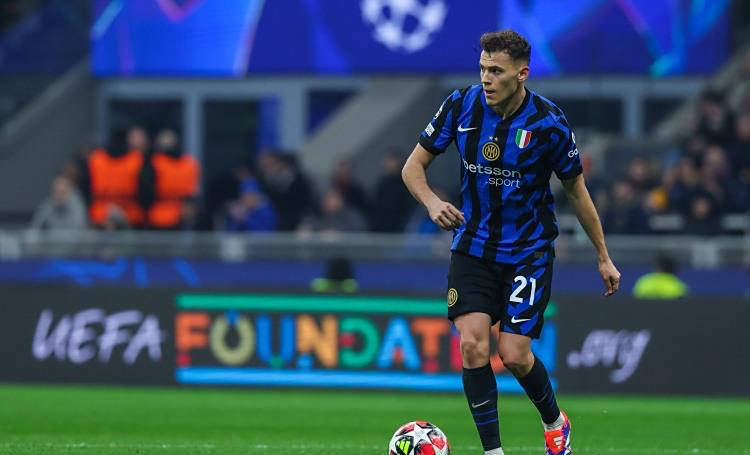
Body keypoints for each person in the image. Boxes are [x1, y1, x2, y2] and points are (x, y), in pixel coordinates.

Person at [401, 31, 620, 455]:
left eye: (496, 71)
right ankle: (493, 452)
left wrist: (603, 256)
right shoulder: (460, 105)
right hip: (473, 245)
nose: (486, 78)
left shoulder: (549, 123)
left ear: (522, 74)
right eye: (483, 68)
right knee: (472, 345)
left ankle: (555, 422)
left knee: (515, 354)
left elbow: (577, 191)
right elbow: (413, 167)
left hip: (528, 251)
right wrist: (432, 202)